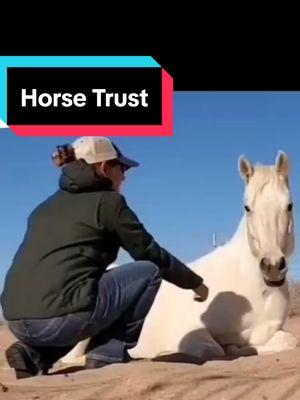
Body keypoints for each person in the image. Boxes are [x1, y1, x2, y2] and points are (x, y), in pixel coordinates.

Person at [1, 136, 208, 379]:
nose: (125, 176)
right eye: (122, 168)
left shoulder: (44, 207)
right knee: (147, 271)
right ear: (103, 168)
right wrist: (193, 282)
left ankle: (32, 354)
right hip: (58, 319)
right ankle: (108, 355)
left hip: (15, 318)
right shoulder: (109, 203)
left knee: (80, 297)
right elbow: (148, 252)